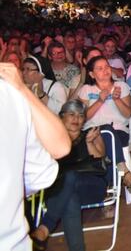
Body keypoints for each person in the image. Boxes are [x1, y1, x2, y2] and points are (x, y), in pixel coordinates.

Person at [1, 62, 68, 251]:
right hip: (12, 241)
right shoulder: (11, 94)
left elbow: (62, 135)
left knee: (69, 181)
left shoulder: (12, 93)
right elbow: (42, 172)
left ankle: (45, 227)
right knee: (69, 185)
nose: (24, 72)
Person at [29, 100, 109, 251]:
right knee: (70, 197)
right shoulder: (51, 140)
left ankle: (45, 227)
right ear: (61, 117)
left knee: (70, 177)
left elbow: (101, 167)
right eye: (71, 114)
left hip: (90, 186)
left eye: (80, 116)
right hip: (61, 191)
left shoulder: (92, 134)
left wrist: (89, 143)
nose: (76, 119)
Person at [77, 56, 131, 194]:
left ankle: (108, 191)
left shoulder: (121, 86)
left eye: (107, 67)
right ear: (91, 74)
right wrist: (100, 101)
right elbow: (82, 118)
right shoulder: (86, 90)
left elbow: (127, 114)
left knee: (108, 133)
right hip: (93, 133)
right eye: (100, 68)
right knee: (106, 132)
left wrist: (117, 99)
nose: (105, 70)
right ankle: (124, 172)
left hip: (119, 131)